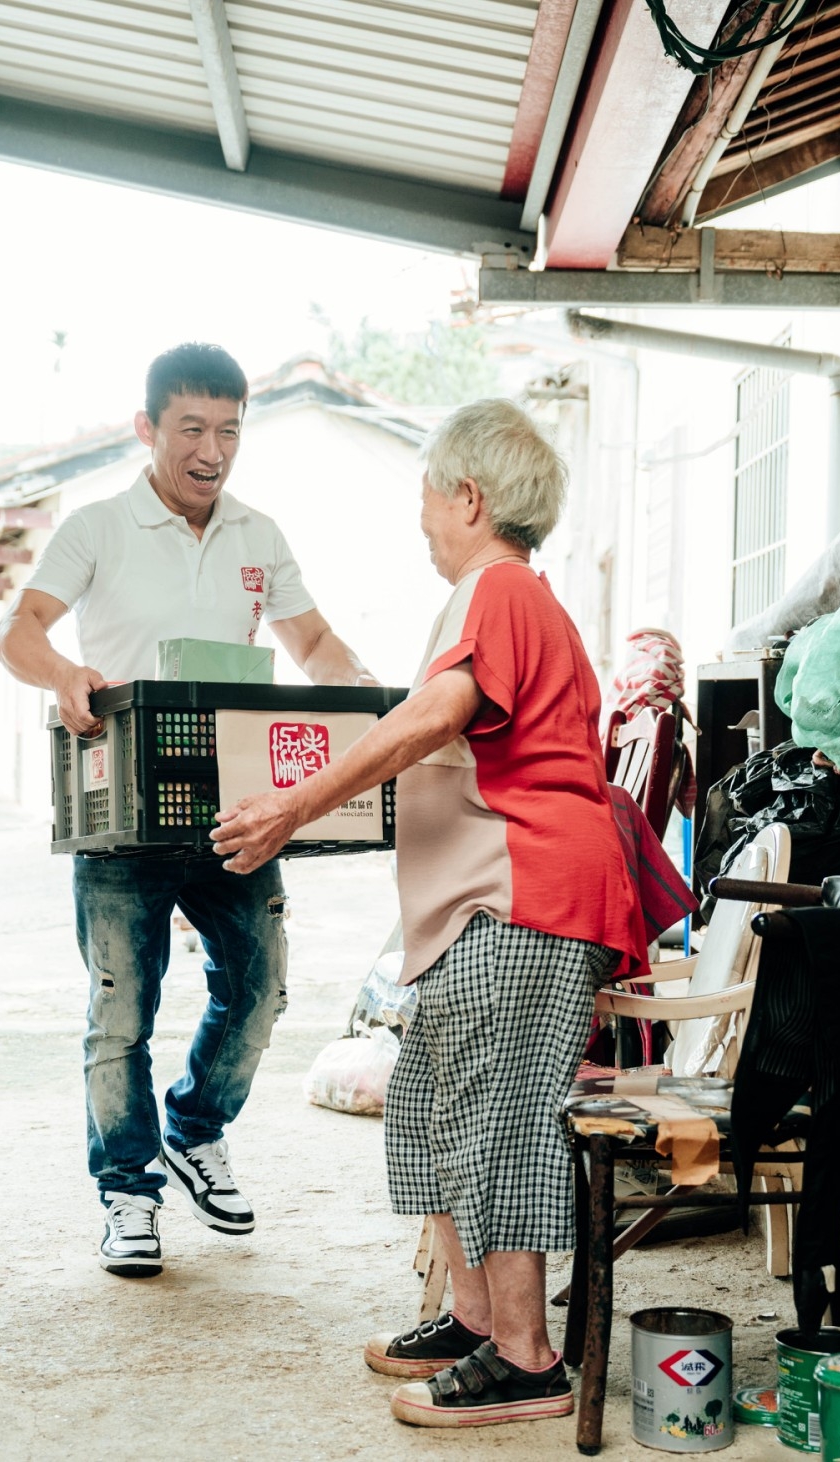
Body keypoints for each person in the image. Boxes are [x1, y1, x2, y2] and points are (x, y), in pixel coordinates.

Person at [212, 398, 643, 1428]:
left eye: (423, 493)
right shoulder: (493, 598)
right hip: (484, 901)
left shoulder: (495, 587)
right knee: (421, 1106)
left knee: (498, 1120)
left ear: (468, 495)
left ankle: (527, 1356)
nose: (417, 516)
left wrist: (291, 803)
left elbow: (435, 717)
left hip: (526, 893)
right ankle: (471, 1314)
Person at [0, 342, 378, 1278]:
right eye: (193, 430)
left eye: (230, 431)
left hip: (240, 806)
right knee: (121, 1012)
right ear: (150, 429)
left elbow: (315, 639)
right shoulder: (98, 525)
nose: (213, 450)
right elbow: (17, 630)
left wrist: (371, 698)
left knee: (260, 989)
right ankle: (128, 1192)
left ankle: (196, 1124)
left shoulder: (258, 535)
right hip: (123, 803)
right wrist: (66, 673)